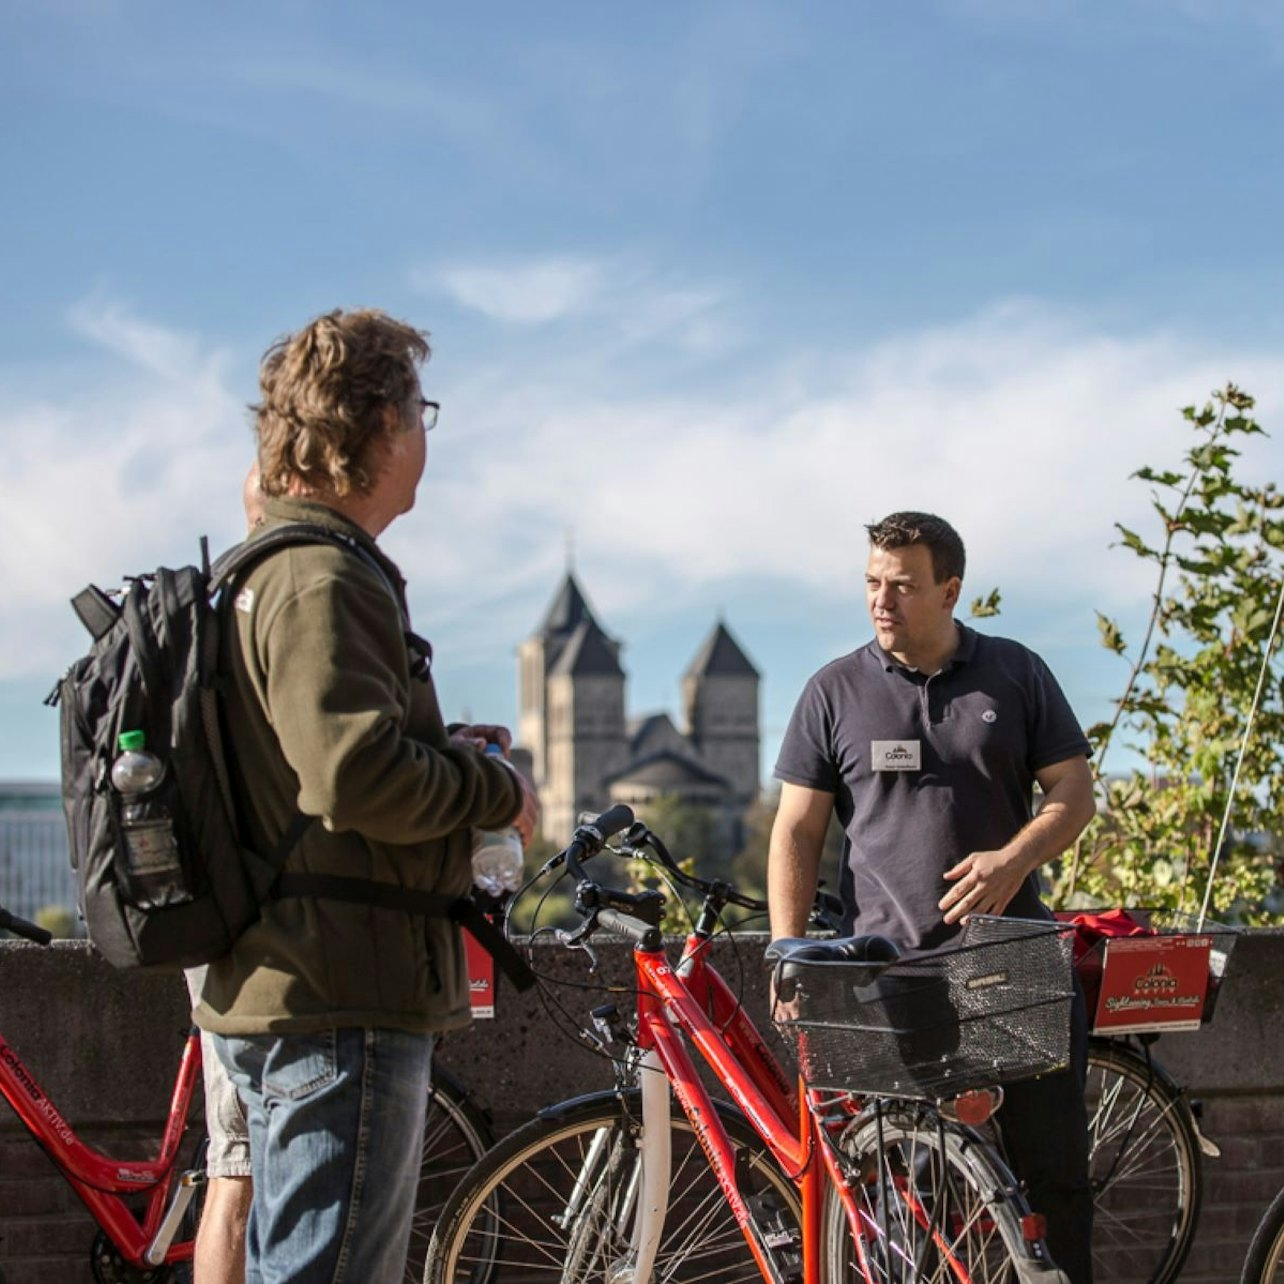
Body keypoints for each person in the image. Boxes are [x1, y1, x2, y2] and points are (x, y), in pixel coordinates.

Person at [194, 308, 539, 1284]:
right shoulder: (321, 577)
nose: (426, 436)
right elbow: (352, 776)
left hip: (306, 984)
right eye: (422, 412)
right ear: (381, 422)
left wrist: (438, 751)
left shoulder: (274, 569)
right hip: (340, 992)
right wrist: (494, 787)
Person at [767, 510, 1096, 1284]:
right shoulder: (832, 690)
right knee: (905, 1200)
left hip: (1013, 963)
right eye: (872, 583)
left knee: (1055, 1181)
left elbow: (1075, 793)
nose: (881, 601)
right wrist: (787, 949)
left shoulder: (1016, 671)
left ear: (950, 591)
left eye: (904, 586)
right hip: (887, 976)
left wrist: (1014, 858)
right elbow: (796, 831)